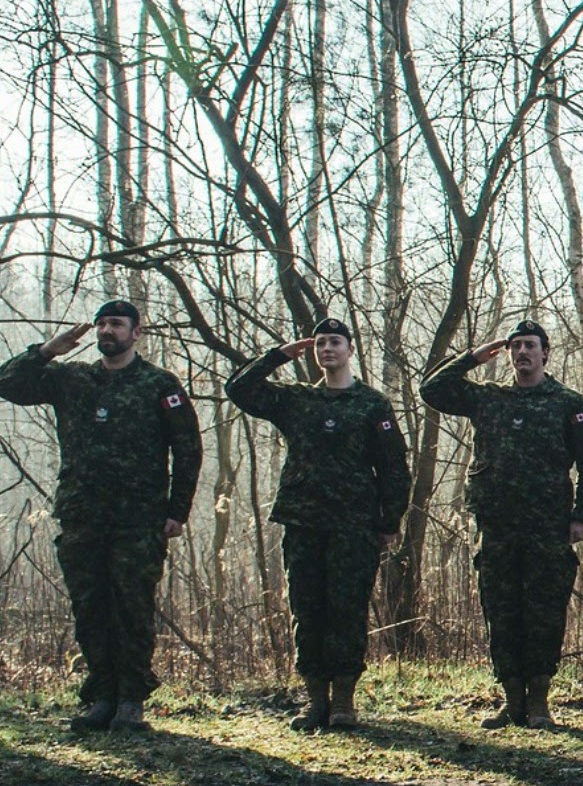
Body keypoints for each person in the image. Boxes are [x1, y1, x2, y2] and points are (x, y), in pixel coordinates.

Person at [0, 300, 201, 732]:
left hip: (139, 518)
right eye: (102, 324)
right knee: (90, 608)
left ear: (136, 332)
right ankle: (102, 696)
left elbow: (188, 448)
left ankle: (130, 700)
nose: (108, 331)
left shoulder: (157, 384)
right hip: (83, 514)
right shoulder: (73, 379)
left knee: (131, 608)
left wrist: (177, 510)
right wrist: (47, 350)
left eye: (117, 324)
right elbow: (7, 384)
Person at [227, 317, 409, 731]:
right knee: (307, 610)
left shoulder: (372, 404)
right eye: (321, 343)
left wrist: (388, 519)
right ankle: (315, 702)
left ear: (350, 350)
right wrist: (277, 356)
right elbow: (239, 390)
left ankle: (344, 701)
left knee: (346, 611)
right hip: (304, 521)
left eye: (335, 342)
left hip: (354, 524)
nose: (327, 349)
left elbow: (394, 466)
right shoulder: (296, 401)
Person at [423, 320, 583, 730]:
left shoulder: (566, 402)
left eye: (530, 346)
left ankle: (539, 701)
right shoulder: (490, 400)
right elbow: (432, 391)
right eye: (515, 346)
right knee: (501, 612)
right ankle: (512, 700)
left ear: (546, 354)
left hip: (548, 526)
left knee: (543, 612)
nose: (521, 352)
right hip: (497, 525)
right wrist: (471, 358)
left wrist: (581, 515)